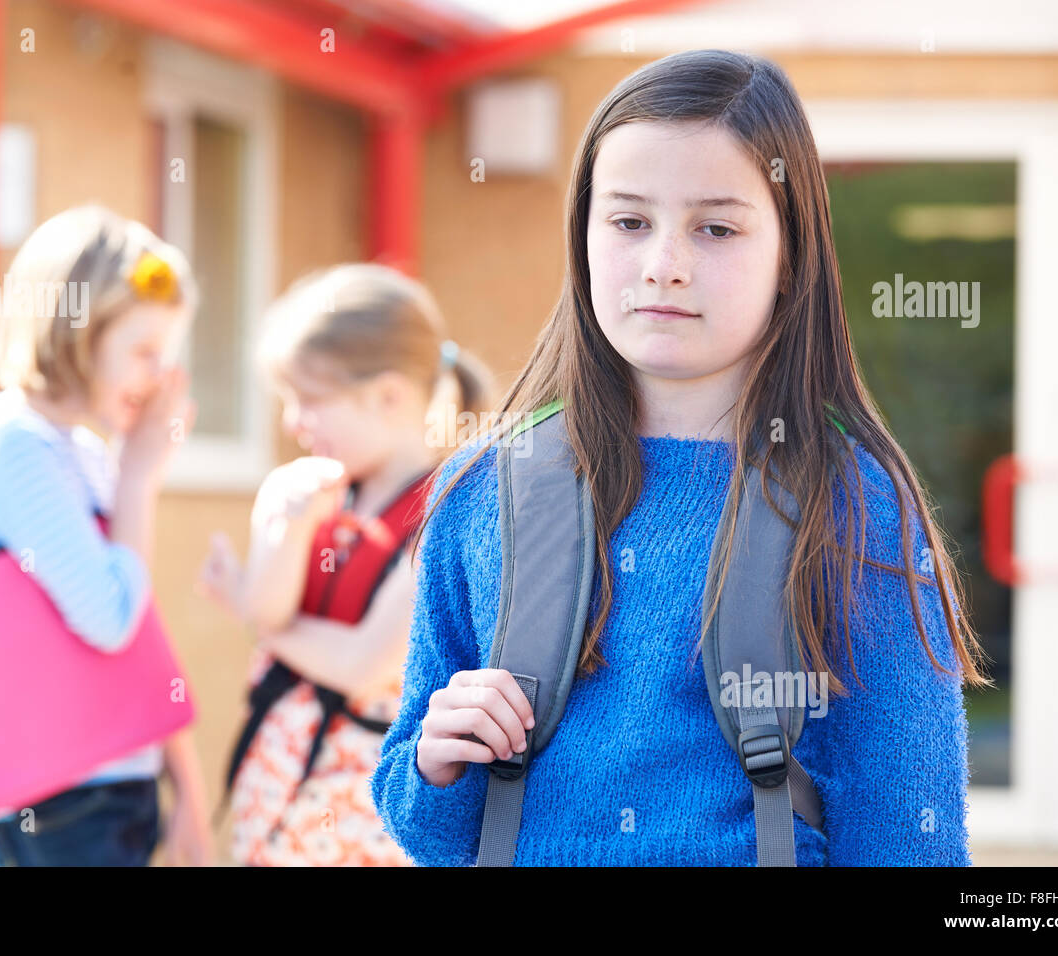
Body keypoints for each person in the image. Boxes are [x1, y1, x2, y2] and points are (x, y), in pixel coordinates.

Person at [370, 49, 994, 867]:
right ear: (583, 237)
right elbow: (428, 827)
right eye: (629, 221)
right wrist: (433, 763)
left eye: (717, 227)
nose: (664, 261)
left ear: (790, 256)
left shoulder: (859, 508)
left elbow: (911, 840)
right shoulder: (482, 490)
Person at [0, 204, 213, 866]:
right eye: (145, 352)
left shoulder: (86, 453)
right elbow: (109, 618)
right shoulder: (8, 444)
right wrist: (140, 476)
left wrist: (188, 794)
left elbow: (139, 630)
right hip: (60, 801)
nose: (160, 380)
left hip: (119, 784)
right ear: (77, 331)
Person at [197, 263, 494, 866]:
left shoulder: (443, 516)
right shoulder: (317, 494)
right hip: (278, 798)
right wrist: (284, 526)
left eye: (307, 400)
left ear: (386, 396)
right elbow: (271, 604)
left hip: (358, 814)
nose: (290, 422)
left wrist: (259, 622)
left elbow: (359, 664)